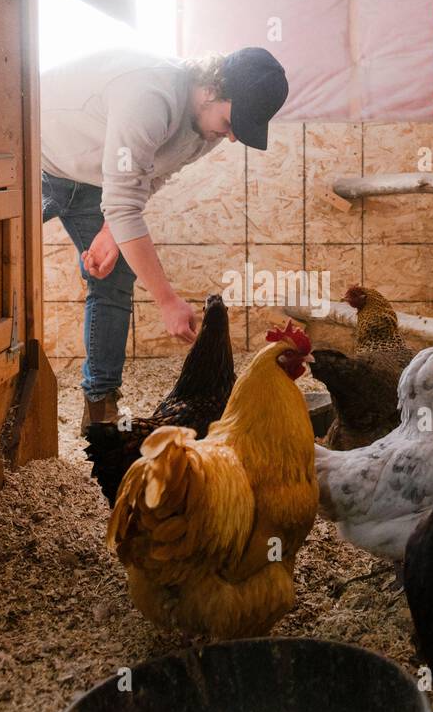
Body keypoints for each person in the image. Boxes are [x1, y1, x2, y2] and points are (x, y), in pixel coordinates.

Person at [40, 46, 289, 431]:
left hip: (94, 179)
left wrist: (109, 231)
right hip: (34, 156)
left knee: (114, 273)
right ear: (210, 90)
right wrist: (168, 301)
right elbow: (124, 203)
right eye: (231, 120)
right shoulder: (149, 95)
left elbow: (150, 176)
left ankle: (99, 404)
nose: (234, 136)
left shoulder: (207, 130)